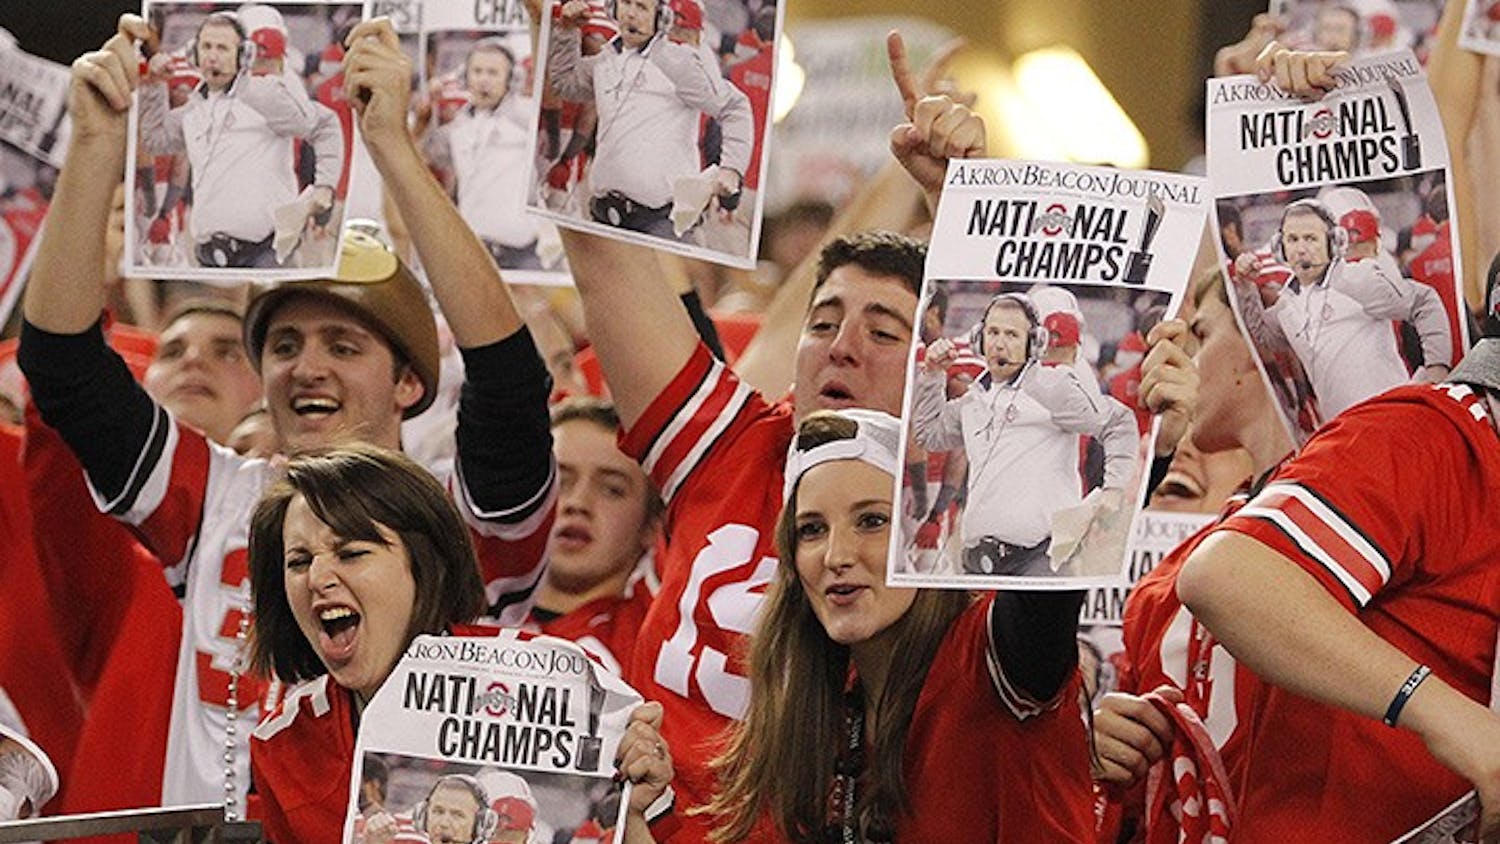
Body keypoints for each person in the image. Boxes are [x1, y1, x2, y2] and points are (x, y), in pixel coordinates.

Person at [18, 15, 555, 813]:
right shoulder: (218, 498)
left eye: (344, 346)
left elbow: (509, 380)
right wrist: (96, 144)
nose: (307, 366)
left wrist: (394, 152)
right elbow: (63, 366)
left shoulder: (465, 521)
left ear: (411, 382)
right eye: (285, 344)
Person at [552, 32, 981, 837]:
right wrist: (582, 48)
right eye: (823, 321)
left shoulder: (962, 501)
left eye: (884, 331)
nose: (842, 344)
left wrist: (967, 199)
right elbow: (597, 246)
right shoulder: (731, 443)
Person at [248, 446, 672, 844]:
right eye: (298, 562)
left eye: (352, 553)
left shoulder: (559, 690)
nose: (317, 579)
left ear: (425, 565)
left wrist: (631, 820)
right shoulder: (283, 746)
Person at [703, 409, 1093, 842]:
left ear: (928, 532)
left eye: (872, 521)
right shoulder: (815, 708)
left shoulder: (989, 656)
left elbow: (1051, 576)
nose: (836, 555)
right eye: (812, 529)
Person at [1092, 269, 1296, 842]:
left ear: (1263, 342)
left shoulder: (1373, 505)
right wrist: (1106, 752)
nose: (1176, 364)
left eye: (1201, 337)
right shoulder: (1160, 589)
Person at [913, 292, 1138, 577]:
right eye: (993, 332)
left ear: (1034, 343)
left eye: (1011, 335)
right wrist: (933, 375)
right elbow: (928, 435)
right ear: (979, 338)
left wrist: (1114, 489)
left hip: (1037, 563)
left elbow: (1117, 422)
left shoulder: (1053, 386)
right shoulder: (975, 399)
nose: (1000, 343)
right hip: (977, 561)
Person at [138, 11, 341, 268]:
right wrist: (154, 85)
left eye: (222, 48)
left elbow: (325, 124)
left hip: (265, 255)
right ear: (194, 54)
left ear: (243, 55)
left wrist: (325, 186)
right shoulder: (196, 108)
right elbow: (156, 141)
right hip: (210, 256)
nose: (212, 56)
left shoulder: (267, 95)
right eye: (207, 47)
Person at [546, 0, 753, 241]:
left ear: (662, 17)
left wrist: (732, 170)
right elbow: (564, 84)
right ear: (612, 8)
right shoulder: (606, 61)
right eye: (626, 3)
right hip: (605, 216)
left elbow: (735, 107)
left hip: (661, 226)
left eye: (642, 7)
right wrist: (567, 31)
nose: (631, 14)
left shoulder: (680, 62)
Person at [1254, 196, 1453, 419]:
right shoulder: (1289, 302)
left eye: (1310, 239)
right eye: (1293, 240)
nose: (1301, 249)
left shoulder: (1359, 278)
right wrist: (1244, 289)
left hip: (1390, 417)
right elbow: (1262, 335)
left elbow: (1423, 303)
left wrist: (1436, 369)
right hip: (1347, 428)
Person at [531, 398, 663, 674]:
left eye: (612, 490)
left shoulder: (662, 650)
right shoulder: (454, 610)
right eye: (558, 479)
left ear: (652, 526)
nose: (577, 502)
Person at [427, 37, 546, 270]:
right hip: (473, 250)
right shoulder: (457, 127)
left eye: (493, 73)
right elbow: (430, 155)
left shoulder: (529, 117)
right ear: (465, 76)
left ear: (510, 80)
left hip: (521, 253)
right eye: (477, 71)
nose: (484, 80)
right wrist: (428, 112)